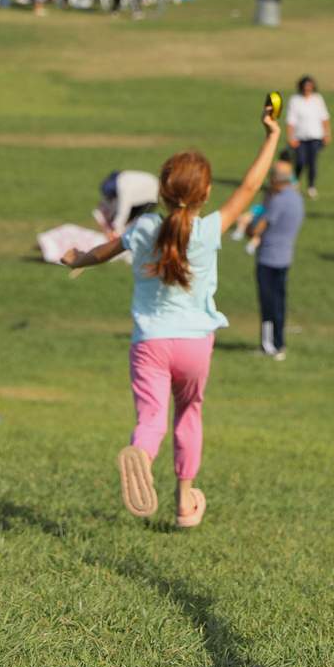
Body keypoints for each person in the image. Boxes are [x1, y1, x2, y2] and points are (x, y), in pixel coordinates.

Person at [58, 107, 282, 528]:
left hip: (151, 342)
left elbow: (102, 252)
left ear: (161, 191)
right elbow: (252, 184)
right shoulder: (209, 229)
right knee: (189, 413)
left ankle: (141, 455)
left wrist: (76, 258)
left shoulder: (143, 229)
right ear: (207, 192)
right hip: (196, 344)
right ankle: (184, 503)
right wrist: (272, 135)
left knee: (151, 419)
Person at [250, 160, 304, 359]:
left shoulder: (277, 200)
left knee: (268, 304)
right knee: (280, 302)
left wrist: (251, 222)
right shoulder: (296, 198)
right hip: (285, 256)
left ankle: (269, 345)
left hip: (268, 257)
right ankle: (278, 343)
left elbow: (258, 228)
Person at [282, 76, 332, 198]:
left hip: (315, 136)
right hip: (300, 137)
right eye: (305, 87)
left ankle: (311, 186)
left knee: (312, 162)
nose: (307, 90)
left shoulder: (317, 99)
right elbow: (291, 121)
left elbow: (324, 118)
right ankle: (295, 182)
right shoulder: (295, 100)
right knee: (300, 161)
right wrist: (290, 137)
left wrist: (327, 133)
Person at [99, 169, 161, 237]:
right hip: (146, 189)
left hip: (150, 196)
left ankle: (125, 238)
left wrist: (117, 227)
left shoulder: (124, 190)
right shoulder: (120, 178)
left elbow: (124, 210)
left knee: (133, 221)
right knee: (125, 221)